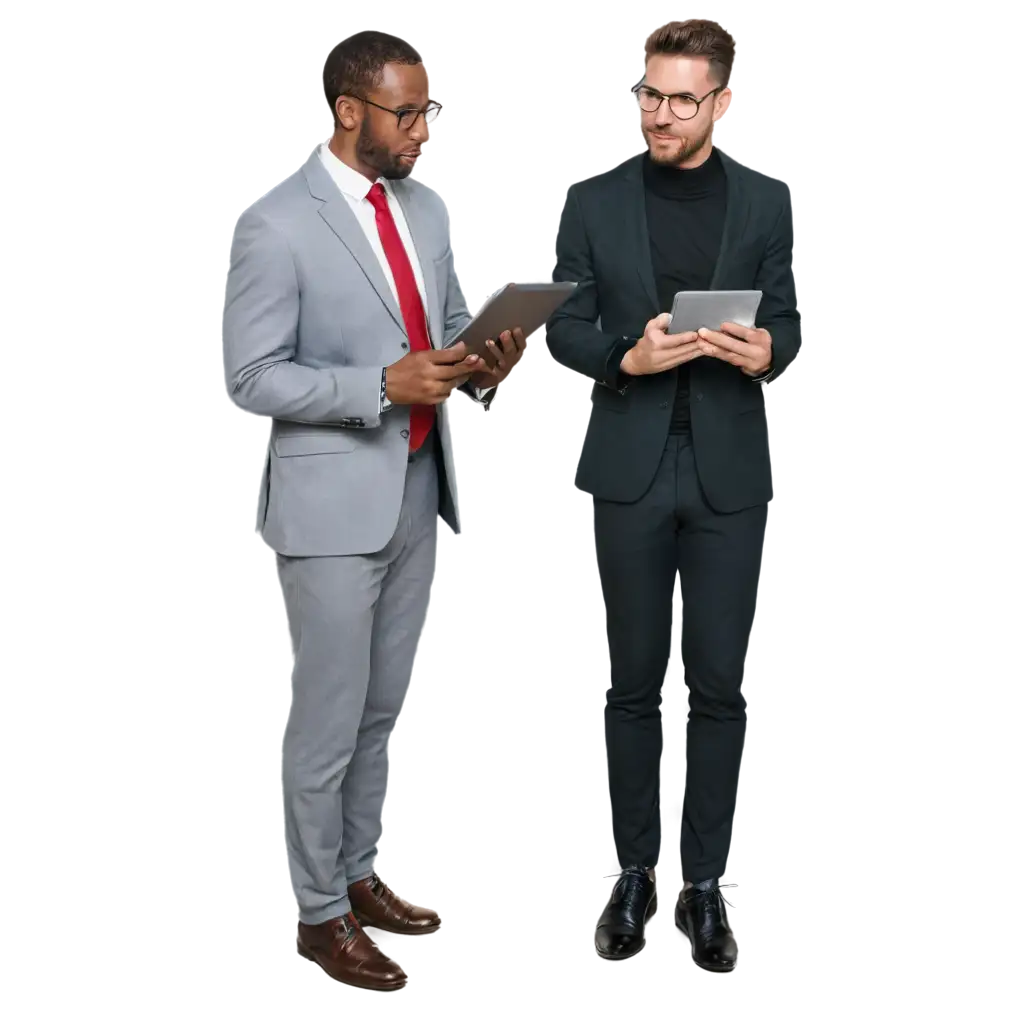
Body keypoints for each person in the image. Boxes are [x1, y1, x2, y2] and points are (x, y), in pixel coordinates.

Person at [218, 28, 523, 991]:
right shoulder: (274, 223)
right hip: (329, 509)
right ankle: (318, 916)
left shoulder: (427, 209)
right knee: (327, 723)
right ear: (350, 112)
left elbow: (445, 330)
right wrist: (379, 385)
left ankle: (356, 873)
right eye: (407, 112)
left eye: (430, 109)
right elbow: (251, 377)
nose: (423, 129)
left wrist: (482, 367)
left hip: (420, 493)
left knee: (381, 711)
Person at [545, 16, 804, 971]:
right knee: (637, 683)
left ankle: (703, 883)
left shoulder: (767, 205)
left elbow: (791, 318)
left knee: (718, 686)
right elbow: (563, 325)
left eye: (680, 98)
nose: (660, 113)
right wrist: (626, 354)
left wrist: (774, 349)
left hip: (728, 467)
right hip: (631, 466)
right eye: (648, 94)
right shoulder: (594, 199)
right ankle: (631, 875)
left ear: (721, 104)